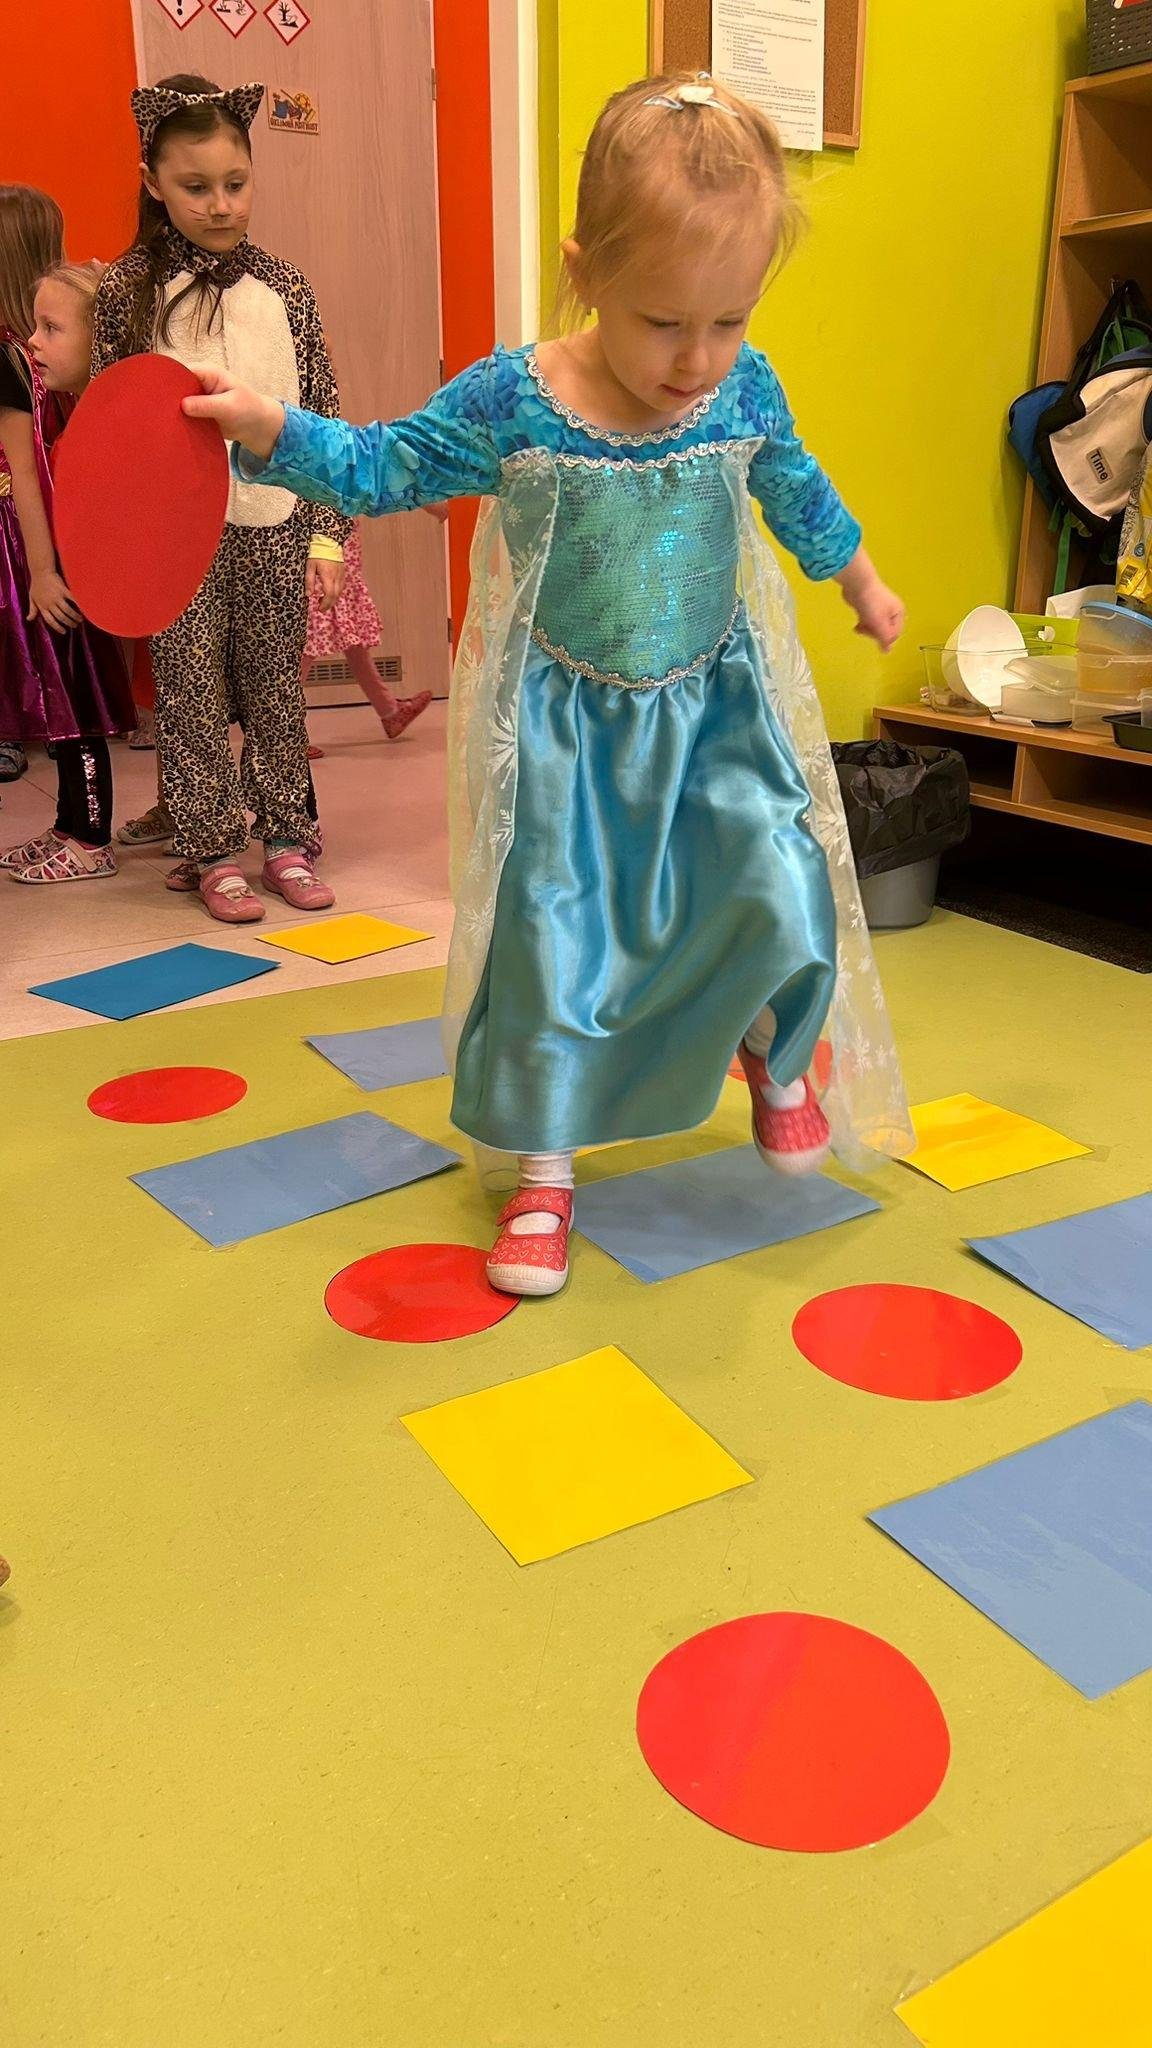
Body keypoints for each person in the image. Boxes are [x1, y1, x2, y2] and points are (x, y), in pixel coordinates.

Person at [185, 71, 914, 1296]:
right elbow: (383, 465)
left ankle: (771, 1045)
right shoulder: (516, 400)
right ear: (585, 272)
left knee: (778, 873)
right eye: (663, 320)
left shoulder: (742, 388)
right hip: (569, 728)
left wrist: (861, 579)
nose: (697, 359)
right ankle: (546, 1168)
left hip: (715, 705)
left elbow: (795, 484)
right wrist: (273, 427)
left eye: (729, 320)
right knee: (556, 941)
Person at [92, 73, 348, 923]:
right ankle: (209, 849)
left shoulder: (286, 287)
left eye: (236, 183)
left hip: (275, 524)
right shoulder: (128, 291)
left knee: (276, 689)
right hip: (178, 537)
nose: (219, 204)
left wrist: (327, 534)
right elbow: (114, 429)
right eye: (196, 186)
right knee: (191, 695)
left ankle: (287, 839)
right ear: (153, 182)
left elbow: (321, 414)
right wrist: (124, 544)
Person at [0, 215, 136, 881]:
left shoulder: (96, 407)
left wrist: (47, 572)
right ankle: (67, 825)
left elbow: (35, 480)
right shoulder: (62, 395)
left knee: (75, 708)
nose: (36, 341)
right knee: (62, 706)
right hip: (59, 564)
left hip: (62, 570)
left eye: (51, 329)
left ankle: (91, 840)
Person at [301, 518, 432, 748]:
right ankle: (279, 733)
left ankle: (390, 711)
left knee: (350, 635)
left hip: (337, 546)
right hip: (326, 546)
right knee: (310, 638)